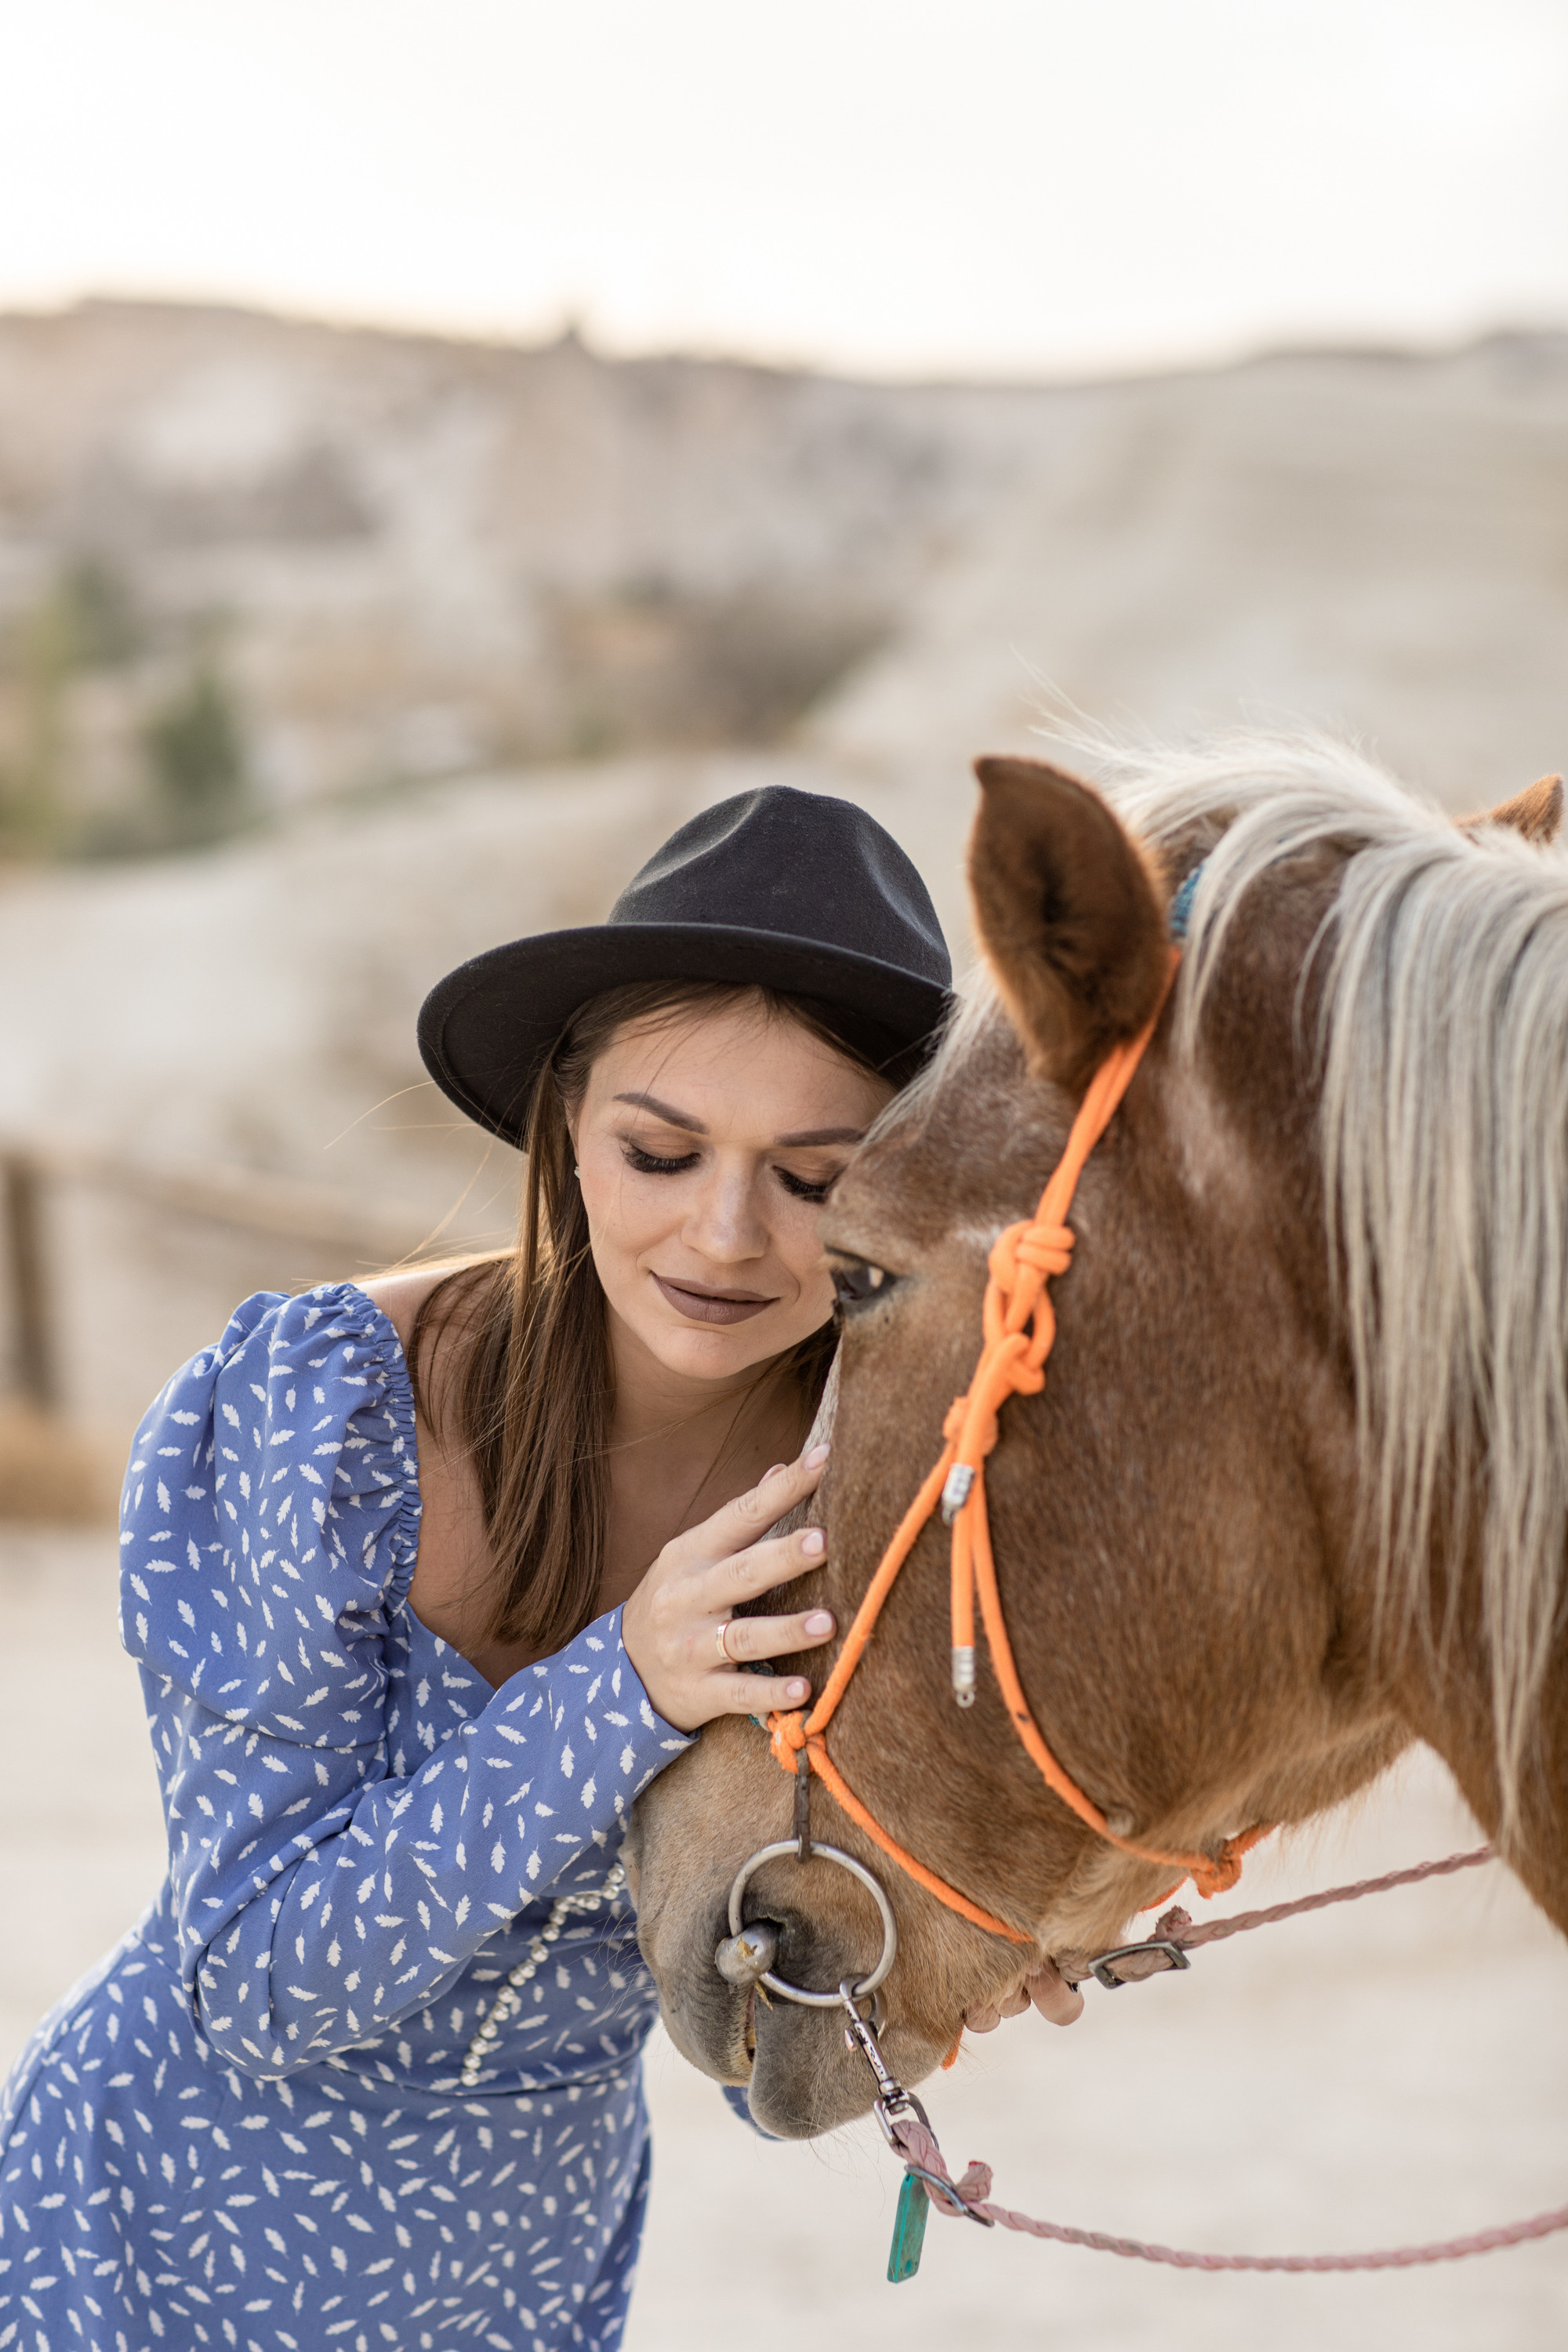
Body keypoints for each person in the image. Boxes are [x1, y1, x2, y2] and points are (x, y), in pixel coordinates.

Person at [0, 786, 954, 2352]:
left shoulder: (872, 1489)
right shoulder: (329, 1409)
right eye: (661, 1149)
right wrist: (618, 1690)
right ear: (564, 1121)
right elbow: (254, 1984)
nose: (722, 1235)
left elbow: (751, 2027)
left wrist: (957, 1949)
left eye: (811, 1179)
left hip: (519, 2272)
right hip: (147, 2244)